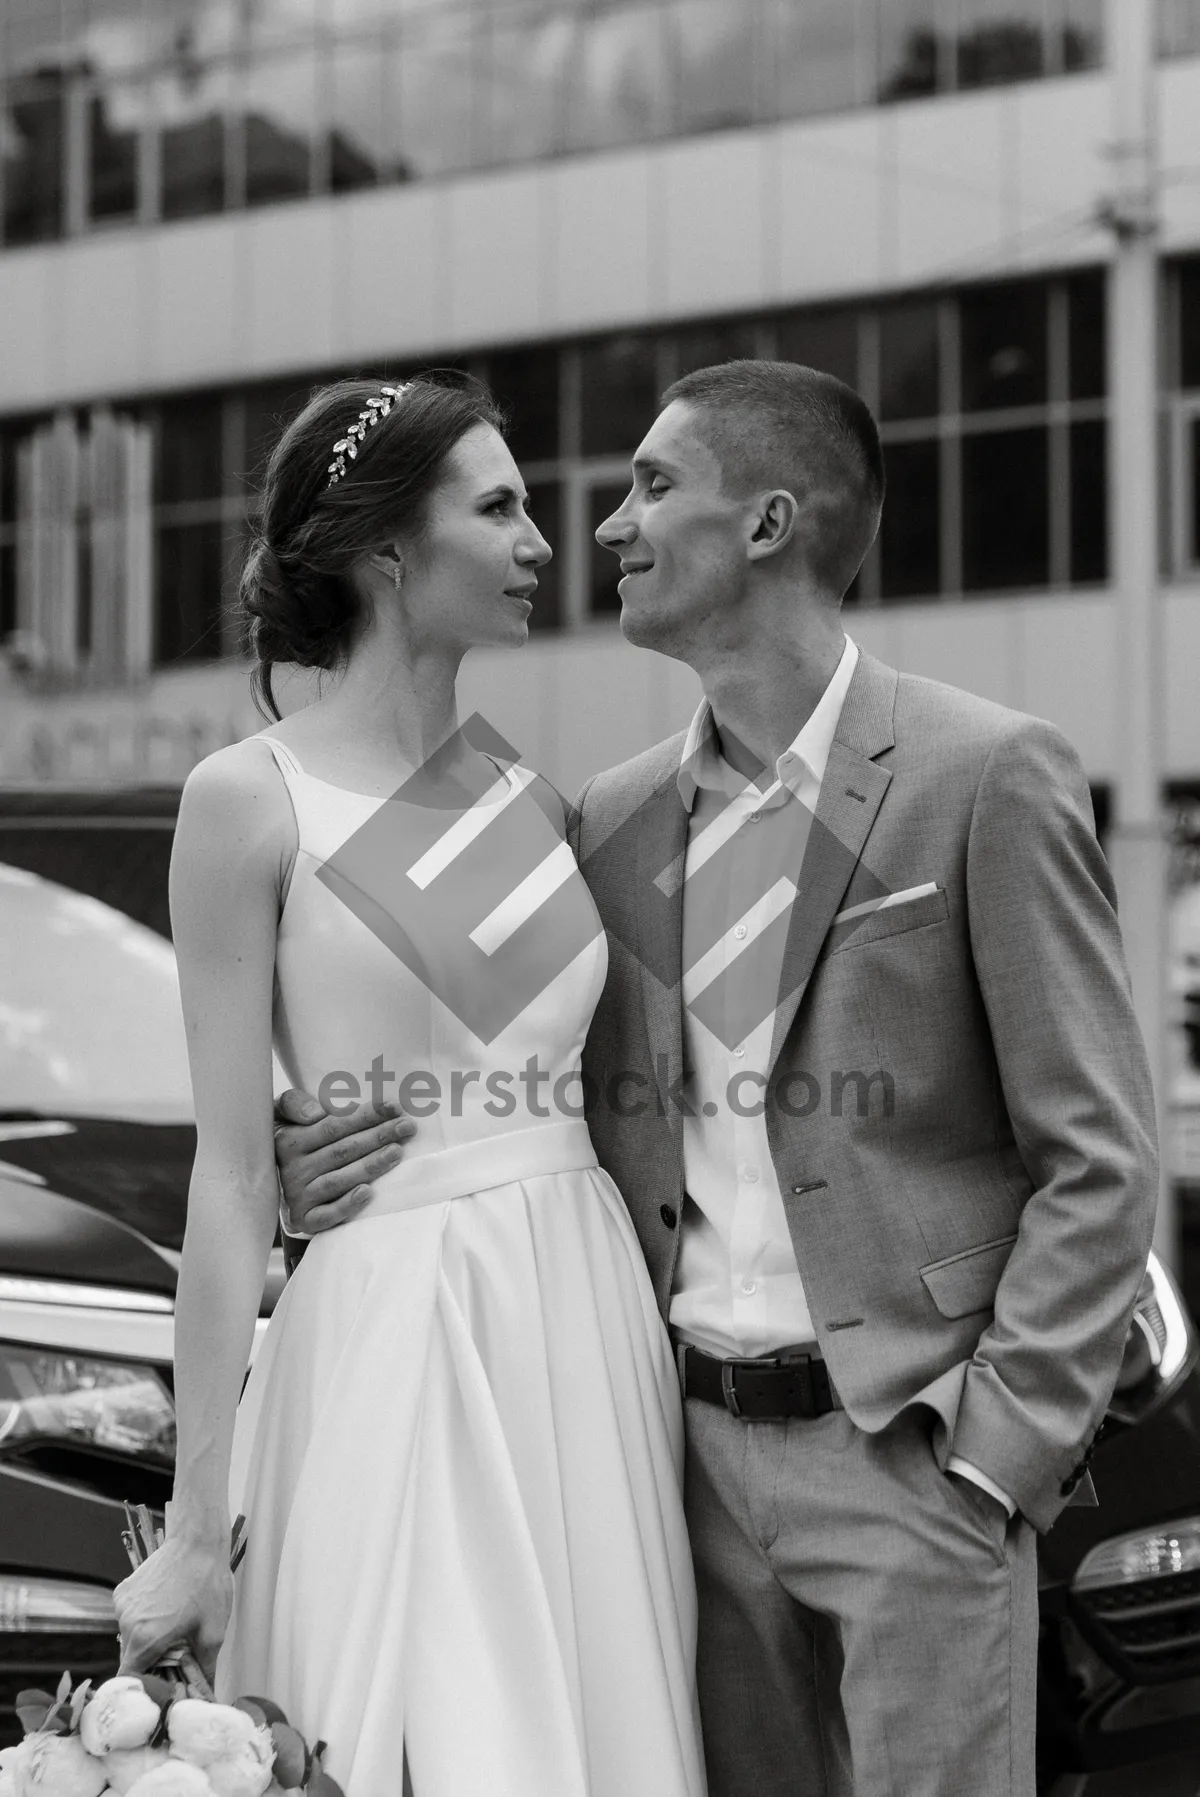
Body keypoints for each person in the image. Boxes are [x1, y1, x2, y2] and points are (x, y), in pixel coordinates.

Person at [274, 360, 1160, 1796]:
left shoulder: (986, 776)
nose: (604, 526)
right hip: (672, 1467)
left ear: (767, 525)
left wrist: (997, 1455)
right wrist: (307, 1148)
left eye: (651, 485)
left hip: (909, 1458)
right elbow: (507, 1075)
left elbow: (1103, 1155)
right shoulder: (608, 821)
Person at [112, 373, 707, 1797]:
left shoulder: (534, 795)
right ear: (387, 551)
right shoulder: (247, 798)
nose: (542, 543)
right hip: (394, 1331)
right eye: (498, 509)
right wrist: (196, 1524)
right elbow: (232, 1172)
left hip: (582, 1327)